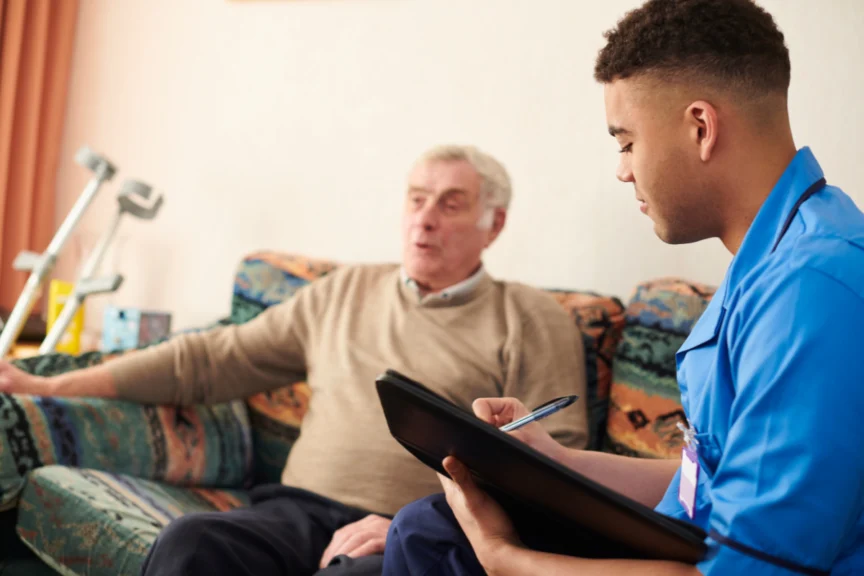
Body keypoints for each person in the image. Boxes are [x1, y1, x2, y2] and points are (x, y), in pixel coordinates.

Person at [382, 1, 864, 575]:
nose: (623, 170)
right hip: (688, 545)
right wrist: (554, 460)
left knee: (433, 541)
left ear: (701, 128)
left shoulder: (811, 291)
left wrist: (506, 559)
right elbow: (714, 485)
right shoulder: (772, 262)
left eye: (626, 142)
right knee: (428, 528)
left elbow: (745, 569)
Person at [0, 145, 589, 576]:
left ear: (496, 225)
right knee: (191, 542)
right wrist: (51, 385)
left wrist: (423, 523)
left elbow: (554, 470)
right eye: (416, 198)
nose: (424, 217)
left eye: (451, 204)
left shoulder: (531, 318)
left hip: (415, 534)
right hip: (295, 511)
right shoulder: (343, 291)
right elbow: (210, 359)